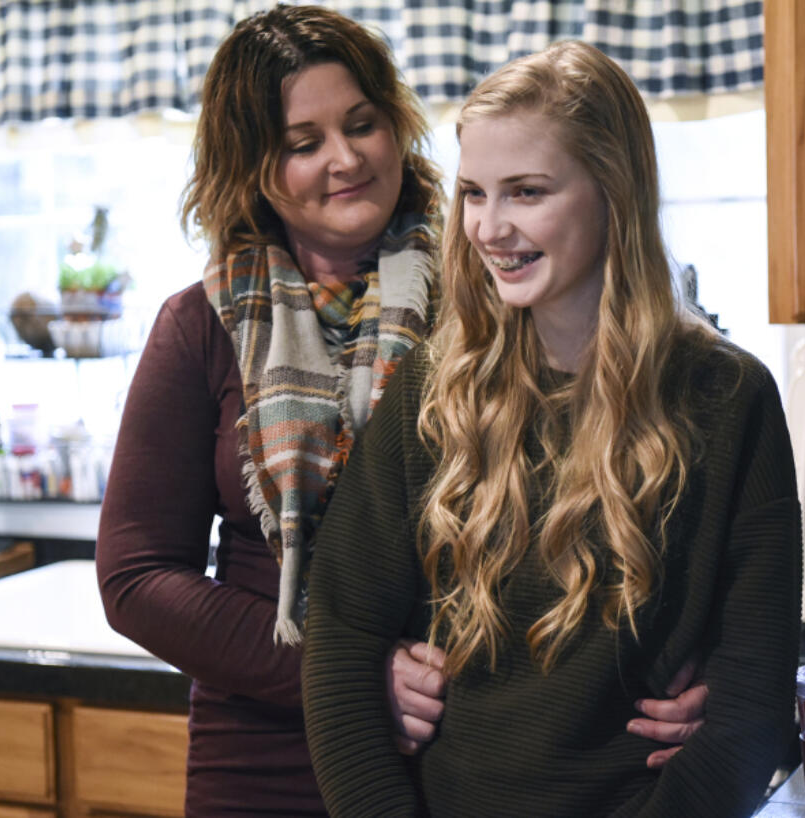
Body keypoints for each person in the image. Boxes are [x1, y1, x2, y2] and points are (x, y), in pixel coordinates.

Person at [96, 8, 707, 815]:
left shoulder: (505, 288)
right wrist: (346, 674)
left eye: (362, 125)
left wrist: (710, 661)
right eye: (302, 142)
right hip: (266, 763)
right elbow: (137, 577)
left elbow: (659, 474)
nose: (345, 160)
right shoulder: (201, 326)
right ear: (250, 165)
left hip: (476, 749)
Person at [302, 40, 802, 818]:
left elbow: (749, 709)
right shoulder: (436, 391)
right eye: (474, 193)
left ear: (614, 191)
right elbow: (340, 640)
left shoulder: (728, 399)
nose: (489, 228)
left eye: (527, 192)